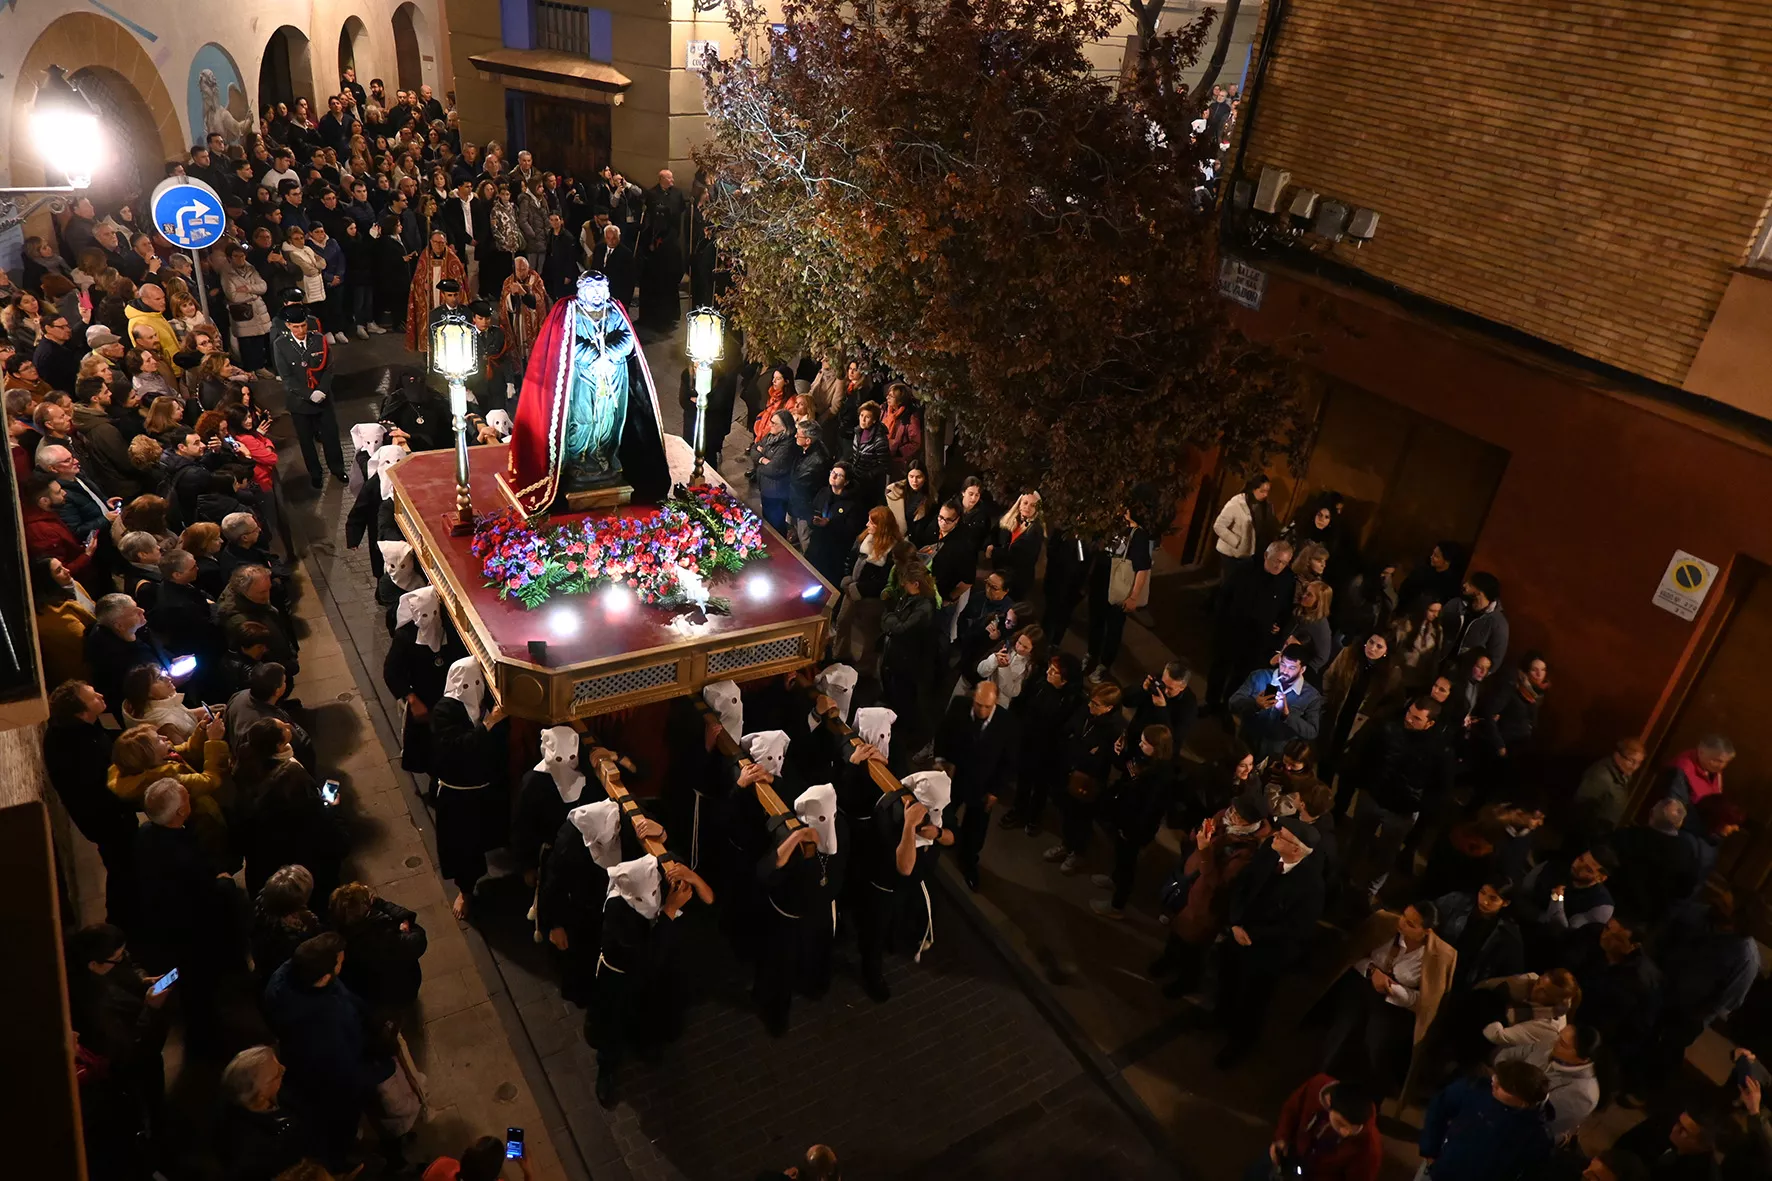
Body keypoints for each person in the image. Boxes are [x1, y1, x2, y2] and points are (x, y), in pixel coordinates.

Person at [261, 932, 395, 1168]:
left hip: (306, 1069)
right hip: (334, 1091)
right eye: (340, 962)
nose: (343, 965)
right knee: (340, 1127)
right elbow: (348, 1076)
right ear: (324, 977)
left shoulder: (286, 977)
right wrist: (384, 1068)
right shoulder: (326, 1025)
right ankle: (344, 1158)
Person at [1319, 903, 1454, 1100]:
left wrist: (1394, 990)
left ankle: (1366, 1100)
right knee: (1343, 1031)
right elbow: (1354, 954)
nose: (1401, 923)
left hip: (1395, 1005)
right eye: (1403, 916)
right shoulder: (1384, 926)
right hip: (1362, 987)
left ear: (1426, 931)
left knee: (1376, 1044)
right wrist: (1373, 972)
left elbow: (1427, 1001)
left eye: (1410, 924)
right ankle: (1321, 1085)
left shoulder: (1438, 956)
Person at [1339, 697, 1455, 902]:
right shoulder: (1389, 728)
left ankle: (1368, 892)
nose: (1409, 720)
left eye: (1417, 718)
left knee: (1386, 854)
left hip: (1402, 811)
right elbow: (1366, 754)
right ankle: (1344, 878)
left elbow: (1441, 787)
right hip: (1372, 797)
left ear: (1430, 724)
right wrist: (1364, 781)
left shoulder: (1438, 750)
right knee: (1358, 840)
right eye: (1409, 713)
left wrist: (1420, 805)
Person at [45, 681, 141, 927]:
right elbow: (101, 787)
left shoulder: (82, 727)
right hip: (106, 819)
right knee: (122, 869)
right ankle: (120, 923)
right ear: (81, 712)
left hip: (110, 813)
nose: (100, 694)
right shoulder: (73, 747)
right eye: (93, 697)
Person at [430, 657, 506, 918]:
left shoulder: (485, 705)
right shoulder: (444, 711)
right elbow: (456, 749)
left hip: (485, 786)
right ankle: (465, 891)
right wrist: (487, 726)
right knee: (463, 848)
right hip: (458, 795)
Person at [933, 680, 1019, 892]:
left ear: (996, 702)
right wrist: (940, 759)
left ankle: (968, 861)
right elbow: (943, 733)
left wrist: (995, 791)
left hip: (983, 784)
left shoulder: (1007, 722)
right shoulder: (959, 706)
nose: (981, 710)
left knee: (976, 827)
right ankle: (936, 846)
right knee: (943, 813)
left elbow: (1009, 761)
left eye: (987, 706)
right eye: (978, 704)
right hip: (953, 777)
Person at [1416, 1061, 1553, 1181]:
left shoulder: (1537, 1136)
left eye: (1502, 1086)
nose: (1494, 1082)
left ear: (1522, 1102)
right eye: (1496, 1077)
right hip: (1438, 1170)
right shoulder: (1476, 1088)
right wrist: (1430, 1152)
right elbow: (1439, 1107)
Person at [1092, 723, 1174, 917]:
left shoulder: (1159, 775)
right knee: (1120, 856)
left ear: (1157, 748)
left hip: (1135, 828)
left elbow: (1148, 808)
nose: (1140, 745)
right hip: (1125, 819)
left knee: (1128, 862)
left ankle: (1117, 905)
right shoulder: (1145, 759)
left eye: (1145, 743)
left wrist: (1131, 831)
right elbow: (1127, 770)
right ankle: (1115, 879)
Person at [1209, 538, 1296, 709]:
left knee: (1242, 674)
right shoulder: (1245, 569)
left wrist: (1278, 625)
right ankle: (1211, 702)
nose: (1279, 566)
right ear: (1266, 555)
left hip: (1258, 638)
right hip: (1232, 629)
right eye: (1277, 560)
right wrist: (1220, 623)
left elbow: (1285, 607)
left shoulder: (1287, 580)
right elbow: (1225, 596)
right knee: (1220, 667)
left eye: (1284, 563)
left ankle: (1229, 706)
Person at [271, 304, 347, 488]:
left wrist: (322, 390)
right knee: (306, 441)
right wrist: (308, 394)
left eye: (303, 325)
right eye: (296, 327)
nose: (301, 330)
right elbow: (287, 377)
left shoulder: (318, 339)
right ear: (288, 326)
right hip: (299, 402)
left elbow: (329, 368)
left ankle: (337, 469)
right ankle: (315, 473)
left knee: (331, 436)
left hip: (323, 399)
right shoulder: (280, 345)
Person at [1249, 1075, 1380, 1181]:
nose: (1345, 1133)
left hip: (1318, 1175)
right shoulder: (1316, 1086)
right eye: (1341, 1124)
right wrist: (1281, 1138)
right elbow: (1291, 1111)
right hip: (1291, 1151)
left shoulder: (1369, 1147)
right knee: (1258, 1172)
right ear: (1328, 1102)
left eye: (1353, 1129)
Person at [215, 1045, 314, 1181]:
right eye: (277, 1073)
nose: (283, 1069)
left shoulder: (279, 1097)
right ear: (260, 1095)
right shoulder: (251, 1148)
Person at [1494, 1023, 1602, 1146]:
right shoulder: (1550, 1045)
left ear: (1583, 1059)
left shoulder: (1583, 1095)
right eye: (1559, 1036)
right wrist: (1502, 1077)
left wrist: (1504, 1088)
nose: (1554, 1042)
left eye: (1563, 1044)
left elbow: (1536, 1121)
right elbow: (1508, 1054)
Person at [329, 881, 428, 1016]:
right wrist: (406, 929)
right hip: (400, 988)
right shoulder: (384, 936)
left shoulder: (339, 938)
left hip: (370, 994)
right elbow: (418, 942)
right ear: (366, 908)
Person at [1085, 504, 1154, 676]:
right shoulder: (1108, 526)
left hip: (1119, 588)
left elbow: (1142, 568)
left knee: (1113, 628)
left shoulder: (1138, 534)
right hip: (1100, 582)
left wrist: (1134, 597)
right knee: (1095, 621)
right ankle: (1091, 654)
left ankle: (1104, 664)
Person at [1229, 643, 1323, 761]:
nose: (1285, 671)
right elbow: (1233, 703)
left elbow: (1312, 732)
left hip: (1276, 754)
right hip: (1247, 744)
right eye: (1283, 664)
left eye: (1292, 668)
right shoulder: (1259, 676)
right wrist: (1255, 704)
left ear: (1302, 669)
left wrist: (1287, 715)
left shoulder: (1311, 696)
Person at [1571, 737, 1648, 844]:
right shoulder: (1600, 776)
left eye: (1639, 763)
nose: (1635, 767)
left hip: (1600, 834)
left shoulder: (1623, 775)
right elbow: (1582, 808)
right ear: (1617, 756)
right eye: (1631, 761)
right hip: (1586, 836)